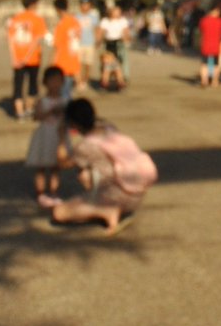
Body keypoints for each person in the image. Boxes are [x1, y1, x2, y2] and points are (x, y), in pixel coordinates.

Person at [50, 98, 151, 236]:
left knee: (59, 213)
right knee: (84, 174)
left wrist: (61, 137)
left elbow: (63, 163)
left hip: (118, 194)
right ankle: (112, 207)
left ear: (73, 124)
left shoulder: (86, 146)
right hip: (137, 192)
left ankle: (106, 211)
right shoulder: (109, 127)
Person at [26, 65, 67, 208]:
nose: (55, 84)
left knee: (56, 167)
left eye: (58, 81)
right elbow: (36, 117)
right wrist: (50, 111)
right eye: (52, 81)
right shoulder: (42, 101)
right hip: (45, 136)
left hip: (59, 137)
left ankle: (54, 192)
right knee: (41, 166)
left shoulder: (65, 101)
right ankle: (41, 193)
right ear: (45, 83)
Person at [7, 0, 48, 120]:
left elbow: (10, 40)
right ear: (33, 4)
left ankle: (19, 112)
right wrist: (26, 57)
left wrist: (14, 58)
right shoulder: (38, 19)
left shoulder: (15, 18)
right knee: (32, 84)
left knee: (18, 85)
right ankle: (29, 108)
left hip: (17, 58)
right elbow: (36, 41)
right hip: (33, 58)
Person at [51, 0, 82, 101]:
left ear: (57, 9)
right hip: (73, 59)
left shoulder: (61, 24)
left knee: (63, 93)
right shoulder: (75, 22)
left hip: (62, 62)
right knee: (68, 91)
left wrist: (51, 63)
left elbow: (56, 45)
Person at [99, 6, 131, 89]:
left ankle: (121, 80)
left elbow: (126, 32)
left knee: (119, 64)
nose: (118, 13)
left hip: (119, 43)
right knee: (107, 64)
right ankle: (105, 80)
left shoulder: (123, 21)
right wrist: (99, 41)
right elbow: (101, 32)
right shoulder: (105, 21)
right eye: (116, 11)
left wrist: (126, 39)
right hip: (109, 43)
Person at [76, 0, 101, 88]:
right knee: (78, 63)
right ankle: (79, 80)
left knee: (88, 64)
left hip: (89, 43)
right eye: (83, 4)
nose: (84, 6)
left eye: (86, 4)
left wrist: (98, 40)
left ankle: (85, 80)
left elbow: (96, 29)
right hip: (78, 43)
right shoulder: (76, 16)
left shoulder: (93, 17)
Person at [198, 7, 221, 88]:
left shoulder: (203, 20)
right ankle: (215, 81)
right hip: (216, 45)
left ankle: (204, 80)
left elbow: (201, 30)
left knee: (204, 64)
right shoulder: (220, 21)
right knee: (216, 64)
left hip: (205, 44)